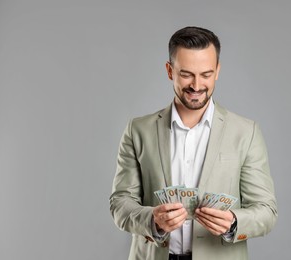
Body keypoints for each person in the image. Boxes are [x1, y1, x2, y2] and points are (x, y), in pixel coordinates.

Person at [109, 26, 278, 260]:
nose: (197, 86)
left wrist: (234, 222)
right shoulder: (138, 130)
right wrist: (152, 220)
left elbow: (267, 211)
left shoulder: (246, 132)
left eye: (206, 74)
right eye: (187, 74)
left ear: (217, 71)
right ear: (170, 71)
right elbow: (120, 203)